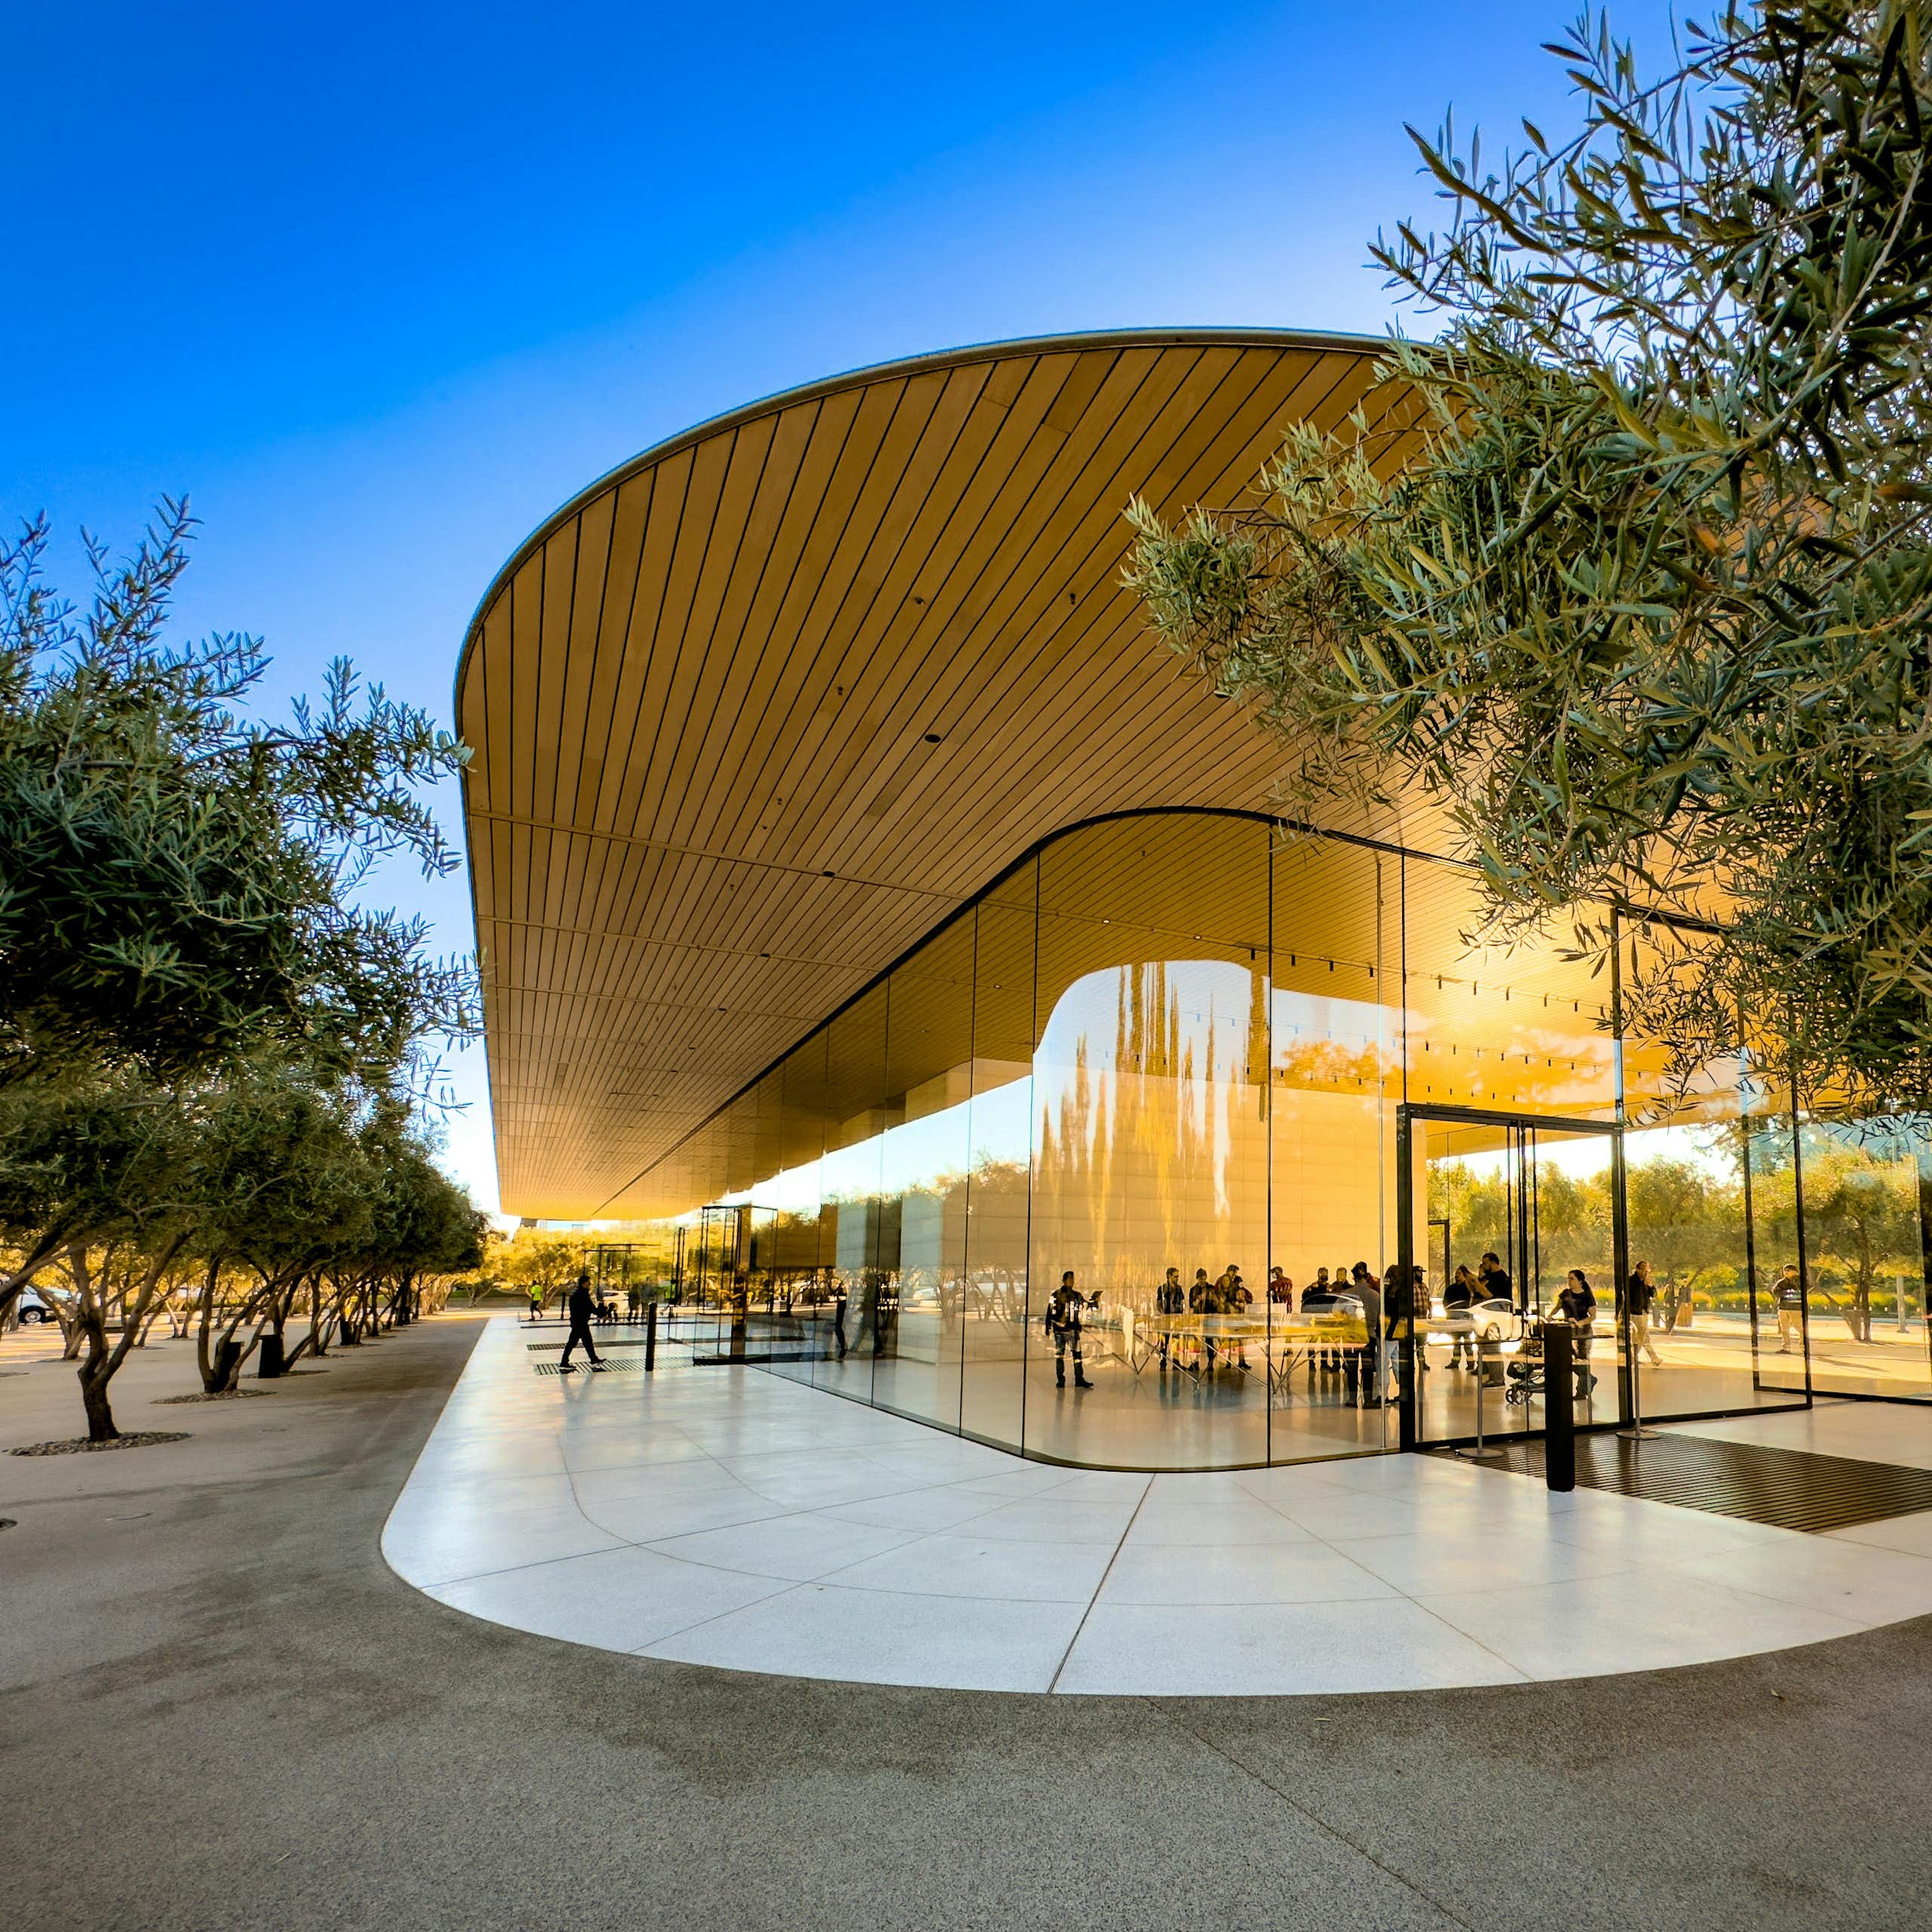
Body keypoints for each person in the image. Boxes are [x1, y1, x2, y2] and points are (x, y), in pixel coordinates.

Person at [1552, 1268, 1598, 1398]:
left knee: (1582, 1359)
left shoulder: (1587, 1296)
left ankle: (1582, 1391)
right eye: (1568, 1279)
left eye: (1572, 1279)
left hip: (1583, 1331)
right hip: (1568, 1330)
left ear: (1580, 1281)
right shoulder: (1565, 1294)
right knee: (1567, 1358)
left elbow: (1593, 1316)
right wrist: (1549, 1318)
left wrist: (1580, 1323)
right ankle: (1589, 1379)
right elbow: (1557, 1308)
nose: (1569, 1281)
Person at [1044, 1270, 1095, 1388]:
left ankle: (1077, 1379)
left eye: (1072, 1279)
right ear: (1064, 1280)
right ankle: (1064, 1380)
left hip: (1071, 1330)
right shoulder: (1057, 1295)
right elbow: (1050, 1311)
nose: (1072, 1281)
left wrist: (1094, 1302)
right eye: (1069, 1279)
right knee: (1062, 1356)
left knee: (1075, 1356)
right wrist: (1048, 1326)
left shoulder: (1076, 1295)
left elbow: (1087, 1306)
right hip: (1062, 1331)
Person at [558, 1270, 604, 1371]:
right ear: (584, 1284)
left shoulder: (577, 1293)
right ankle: (564, 1363)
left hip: (578, 1321)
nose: (590, 1285)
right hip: (580, 1322)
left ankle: (593, 1360)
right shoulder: (582, 1294)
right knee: (574, 1343)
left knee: (586, 1342)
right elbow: (590, 1308)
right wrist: (601, 1312)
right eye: (589, 1283)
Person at [1623, 1259, 1664, 1367]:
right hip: (1634, 1312)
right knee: (1642, 1334)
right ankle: (1634, 1357)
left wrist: (1651, 1286)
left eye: (1647, 1270)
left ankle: (1652, 1359)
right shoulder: (1631, 1281)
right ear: (1638, 1269)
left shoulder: (1646, 1282)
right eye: (1644, 1269)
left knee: (1644, 1337)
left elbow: (1654, 1295)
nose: (1646, 1272)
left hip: (1644, 1311)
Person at [1444, 1263, 1479, 1368]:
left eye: (1459, 1274)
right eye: (1456, 1274)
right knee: (1456, 1343)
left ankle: (1470, 1362)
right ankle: (1455, 1362)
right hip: (1454, 1320)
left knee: (1468, 1343)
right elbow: (1446, 1303)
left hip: (1465, 1320)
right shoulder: (1451, 1289)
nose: (1456, 1276)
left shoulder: (1468, 1289)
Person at [1222, 1264, 1254, 1369]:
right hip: (1232, 1317)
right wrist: (1236, 1304)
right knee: (1231, 1340)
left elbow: (1249, 1297)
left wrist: (1244, 1300)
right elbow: (1227, 1300)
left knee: (1240, 1340)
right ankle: (1230, 1361)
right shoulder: (1230, 1288)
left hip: (1239, 1317)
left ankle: (1240, 1360)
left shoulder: (1240, 1288)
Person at [1154, 1266, 1186, 1369]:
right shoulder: (1162, 1289)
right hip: (1166, 1318)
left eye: (1178, 1277)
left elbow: (1181, 1302)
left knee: (1176, 1340)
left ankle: (1176, 1362)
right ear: (1169, 1276)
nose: (1177, 1279)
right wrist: (1163, 1314)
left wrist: (1181, 1314)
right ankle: (1163, 1362)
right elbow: (1159, 1303)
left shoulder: (1179, 1288)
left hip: (1176, 1318)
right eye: (1175, 1277)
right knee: (1164, 1341)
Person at [1774, 1263, 1804, 1353]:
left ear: (1795, 1272)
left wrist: (1787, 1293)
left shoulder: (1801, 1282)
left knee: (1800, 1328)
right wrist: (1789, 1293)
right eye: (1785, 1270)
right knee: (1784, 1329)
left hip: (1796, 1309)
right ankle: (1786, 1348)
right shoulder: (1781, 1282)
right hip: (1783, 1308)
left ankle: (1803, 1346)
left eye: (1788, 1270)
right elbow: (1776, 1292)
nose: (1786, 1272)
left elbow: (1801, 1292)